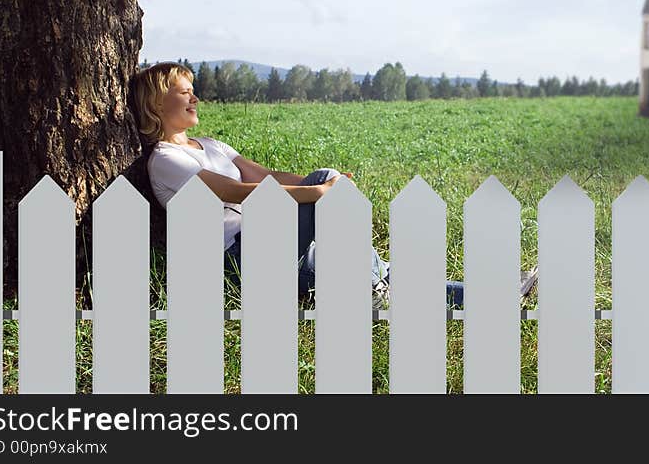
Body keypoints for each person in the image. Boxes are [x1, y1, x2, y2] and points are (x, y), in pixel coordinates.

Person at [131, 62, 477, 308]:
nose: (195, 98)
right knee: (368, 269)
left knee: (373, 271)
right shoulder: (165, 159)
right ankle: (378, 282)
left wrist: (325, 185)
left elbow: (264, 177)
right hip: (238, 257)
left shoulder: (210, 145)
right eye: (184, 92)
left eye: (194, 91)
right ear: (156, 103)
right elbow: (230, 191)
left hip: (275, 244)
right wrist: (312, 195)